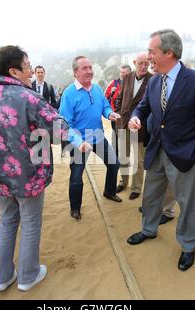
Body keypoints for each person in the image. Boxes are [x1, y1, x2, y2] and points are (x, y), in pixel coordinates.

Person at [0, 45, 72, 292]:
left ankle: (0, 277)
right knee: (30, 222)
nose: (30, 71)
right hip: (28, 175)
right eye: (27, 66)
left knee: (7, 220)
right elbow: (59, 132)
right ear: (14, 71)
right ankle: (28, 275)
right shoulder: (28, 97)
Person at [127, 29, 195, 272]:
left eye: (152, 52)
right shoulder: (155, 80)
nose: (148, 57)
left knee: (186, 202)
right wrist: (135, 117)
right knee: (150, 196)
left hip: (184, 154)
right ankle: (148, 229)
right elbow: (143, 107)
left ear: (169, 53)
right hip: (156, 149)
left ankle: (188, 246)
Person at [59, 56, 122, 220]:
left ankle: (109, 192)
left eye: (90, 67)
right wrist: (79, 142)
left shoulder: (97, 89)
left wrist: (110, 114)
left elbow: (105, 106)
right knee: (76, 177)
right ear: (75, 72)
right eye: (84, 68)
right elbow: (65, 124)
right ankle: (75, 208)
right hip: (80, 143)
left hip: (99, 138)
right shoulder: (69, 94)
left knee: (114, 164)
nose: (89, 71)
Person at [115, 53, 151, 201]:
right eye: (140, 63)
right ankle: (123, 182)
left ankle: (136, 188)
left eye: (146, 63)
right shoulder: (128, 77)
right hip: (123, 123)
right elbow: (120, 97)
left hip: (140, 127)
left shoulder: (153, 80)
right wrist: (118, 113)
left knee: (139, 160)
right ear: (135, 62)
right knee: (123, 156)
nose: (143, 66)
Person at [104, 65, 131, 156]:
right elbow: (105, 98)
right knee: (115, 135)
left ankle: (125, 159)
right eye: (121, 72)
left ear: (129, 73)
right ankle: (114, 156)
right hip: (115, 114)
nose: (122, 75)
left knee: (126, 136)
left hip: (128, 115)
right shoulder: (114, 83)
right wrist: (111, 91)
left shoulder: (133, 83)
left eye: (124, 73)